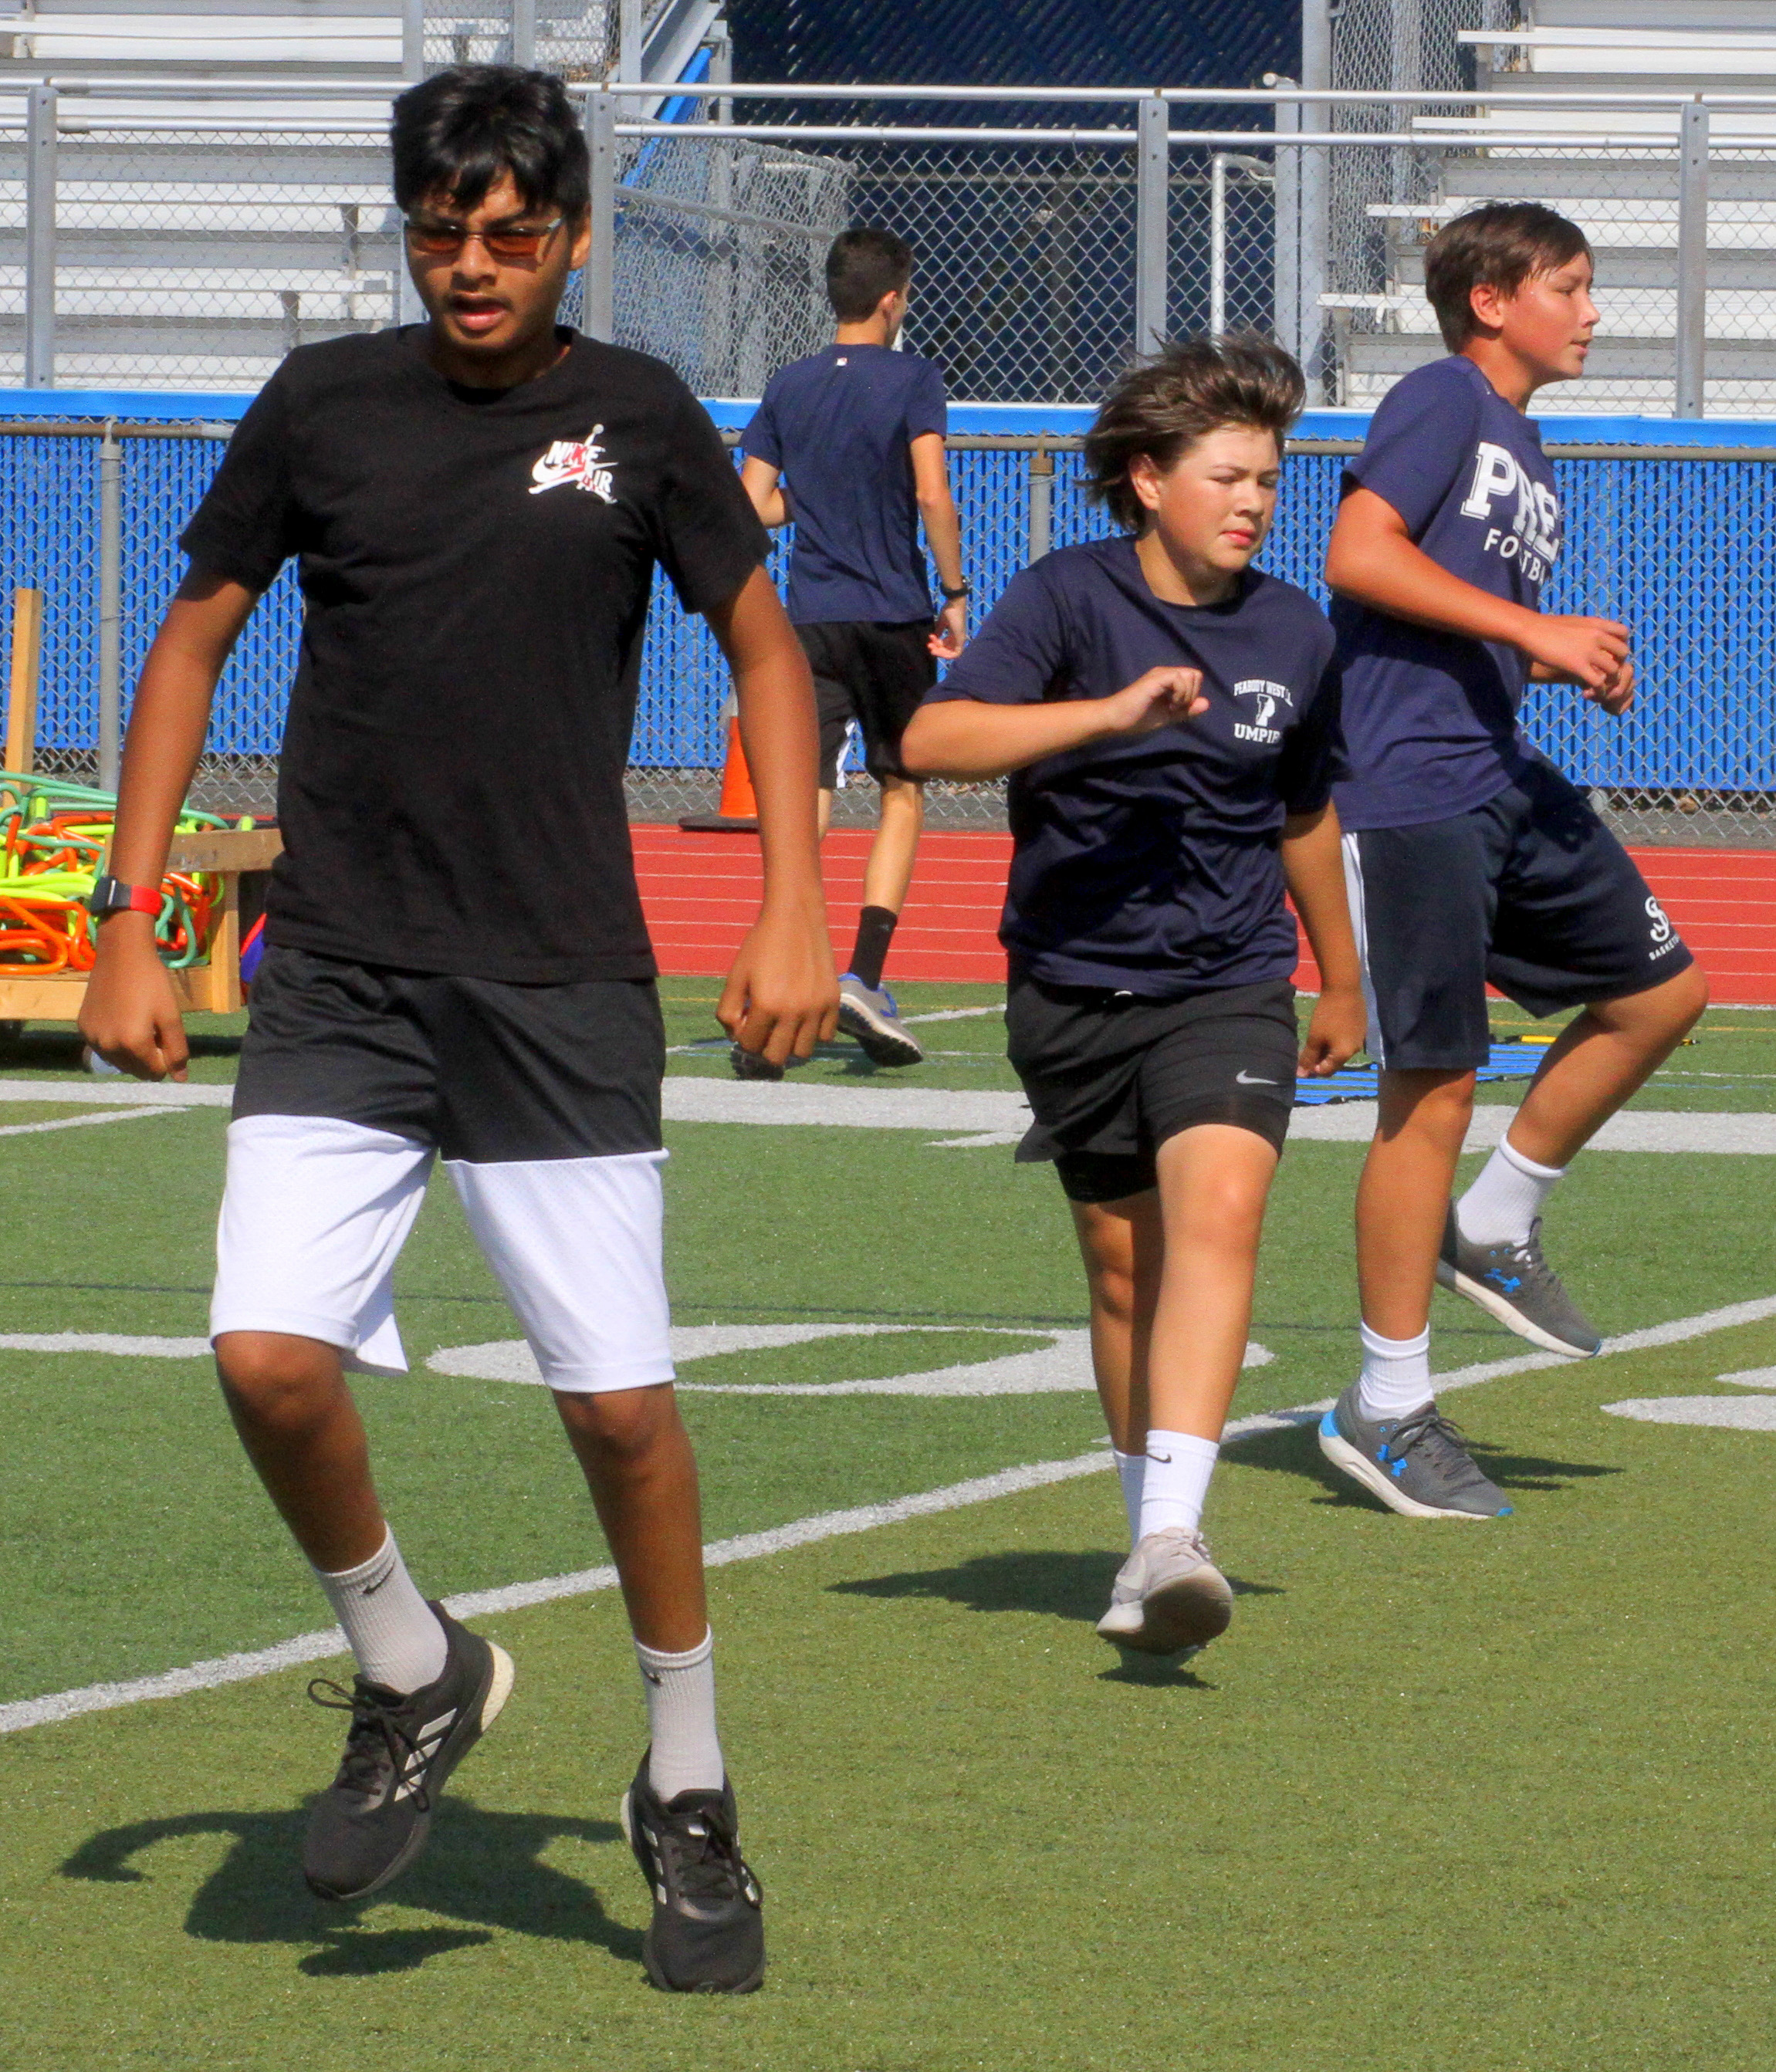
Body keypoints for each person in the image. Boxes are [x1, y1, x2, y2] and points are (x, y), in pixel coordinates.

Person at [76, 65, 838, 1995]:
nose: (472, 265)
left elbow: (763, 648)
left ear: (569, 237)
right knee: (265, 1360)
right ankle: (412, 1662)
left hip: (556, 977)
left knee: (617, 1409)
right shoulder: (321, 405)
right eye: (440, 232)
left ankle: (686, 1782)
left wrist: (792, 901)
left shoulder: (638, 414)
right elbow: (192, 636)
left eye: (509, 234)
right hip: (339, 967)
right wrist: (128, 918)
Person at [902, 337, 1364, 1655]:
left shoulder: (1295, 629)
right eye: (1228, 476)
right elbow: (931, 739)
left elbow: (1303, 812)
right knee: (1122, 1272)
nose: (1253, 502)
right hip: (1069, 985)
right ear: (1149, 480)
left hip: (1229, 982)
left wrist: (1342, 974)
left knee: (1220, 1211)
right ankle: (1141, 1541)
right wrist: (1106, 714)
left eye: (1267, 480)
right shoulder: (1064, 596)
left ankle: (1175, 1534)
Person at [1318, 202, 1708, 1520]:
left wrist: (1548, 651)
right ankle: (1384, 1405)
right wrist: (1532, 633)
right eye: (1571, 286)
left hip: (1494, 772)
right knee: (1428, 1088)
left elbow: (1449, 613)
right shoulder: (1441, 397)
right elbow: (1356, 554)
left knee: (1662, 992)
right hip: (1405, 788)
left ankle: (1492, 1220)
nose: (1592, 312)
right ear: (1491, 301)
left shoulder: (1522, 442)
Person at [739, 226, 968, 1074]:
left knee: (808, 796)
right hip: (892, 613)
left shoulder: (789, 384)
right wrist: (954, 591)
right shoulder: (914, 378)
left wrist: (820, 500)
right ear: (892, 300)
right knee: (901, 788)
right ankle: (862, 977)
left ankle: (785, 969)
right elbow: (931, 493)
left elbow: (752, 504)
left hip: (809, 619)